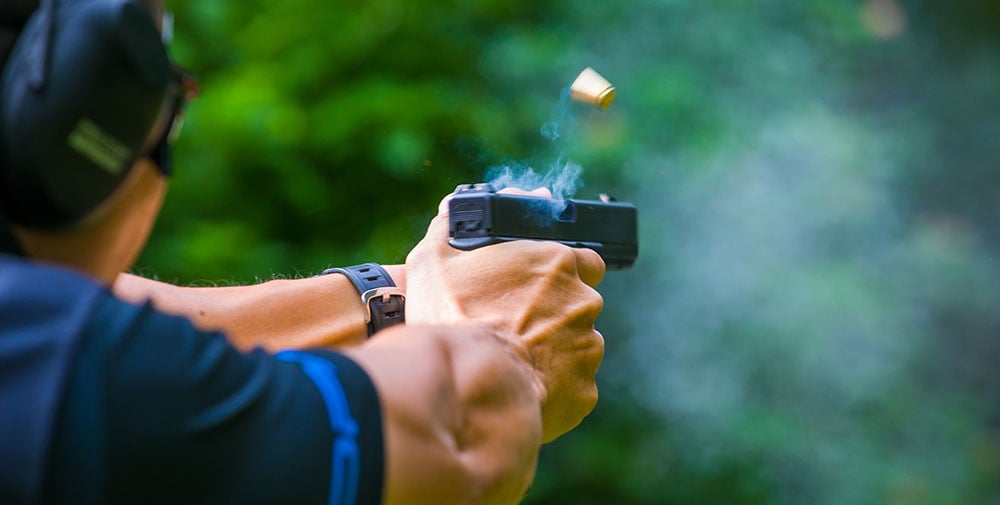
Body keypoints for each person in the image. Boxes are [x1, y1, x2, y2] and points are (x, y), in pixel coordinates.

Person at [0, 1, 607, 505]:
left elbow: (128, 318)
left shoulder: (35, 338)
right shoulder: (79, 371)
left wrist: (400, 297)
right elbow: (462, 446)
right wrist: (511, 350)